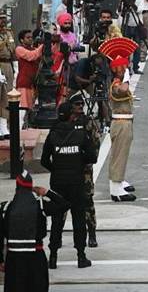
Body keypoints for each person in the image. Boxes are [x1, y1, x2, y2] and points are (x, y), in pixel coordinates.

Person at [40, 102, 97, 269]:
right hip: (76, 182)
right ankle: (81, 256)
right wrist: (79, 163)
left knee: (57, 220)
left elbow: (44, 160)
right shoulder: (80, 135)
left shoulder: (52, 135)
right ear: (70, 116)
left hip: (58, 183)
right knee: (78, 219)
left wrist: (56, 169)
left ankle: (53, 257)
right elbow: (92, 157)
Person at [0, 171, 69, 292]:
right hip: (36, 257)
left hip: (14, 259)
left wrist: (0, 260)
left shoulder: (5, 207)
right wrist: (47, 192)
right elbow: (65, 205)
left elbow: (0, 237)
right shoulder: (40, 205)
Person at [69, 92, 101, 248]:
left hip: (85, 168)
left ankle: (92, 233)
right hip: (69, 167)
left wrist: (90, 158)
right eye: (77, 104)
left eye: (82, 104)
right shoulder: (65, 121)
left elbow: (96, 142)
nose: (80, 107)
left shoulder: (88, 122)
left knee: (88, 200)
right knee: (64, 201)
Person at [106, 55, 137, 201]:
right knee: (119, 156)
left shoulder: (118, 82)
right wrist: (126, 78)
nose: (125, 68)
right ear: (116, 70)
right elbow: (123, 90)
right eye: (122, 67)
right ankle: (116, 190)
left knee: (121, 154)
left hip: (125, 123)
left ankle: (119, 181)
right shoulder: (116, 85)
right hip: (121, 124)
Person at [15, 29, 43, 121]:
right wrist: (42, 46)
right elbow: (32, 56)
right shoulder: (19, 49)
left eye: (31, 37)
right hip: (24, 83)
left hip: (32, 84)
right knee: (24, 109)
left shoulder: (34, 49)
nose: (31, 39)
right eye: (28, 37)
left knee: (31, 109)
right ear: (21, 40)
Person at [119, 0, 143, 74]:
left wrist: (131, 2)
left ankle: (136, 67)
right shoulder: (124, 0)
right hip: (126, 25)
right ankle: (127, 68)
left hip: (136, 26)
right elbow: (120, 12)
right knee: (126, 48)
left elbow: (138, 10)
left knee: (137, 48)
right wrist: (123, 2)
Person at [0, 13, 16, 140]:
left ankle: (4, 126)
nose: (3, 22)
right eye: (0, 19)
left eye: (4, 19)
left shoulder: (8, 34)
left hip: (7, 65)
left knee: (7, 96)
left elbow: (13, 50)